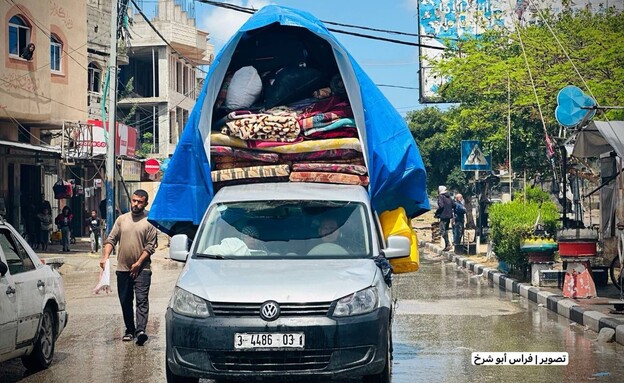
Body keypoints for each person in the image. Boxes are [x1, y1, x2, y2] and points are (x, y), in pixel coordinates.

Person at [100, 190, 158, 346]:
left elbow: (151, 246)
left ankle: (140, 331)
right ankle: (129, 330)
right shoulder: (121, 220)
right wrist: (105, 257)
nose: (136, 204)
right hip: (123, 269)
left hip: (142, 269)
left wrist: (139, 263)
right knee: (125, 301)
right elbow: (111, 240)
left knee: (141, 300)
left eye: (140, 202)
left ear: (145, 203)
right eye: (134, 201)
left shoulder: (150, 221)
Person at [435, 185, 454, 251]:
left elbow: (441, 206)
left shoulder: (441, 196)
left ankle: (448, 244)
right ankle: (447, 245)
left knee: (442, 231)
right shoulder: (449, 197)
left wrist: (437, 213)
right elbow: (453, 204)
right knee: (446, 230)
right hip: (449, 216)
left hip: (443, 216)